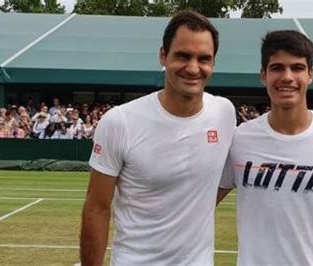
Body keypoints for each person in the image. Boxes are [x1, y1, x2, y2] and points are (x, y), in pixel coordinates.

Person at [80, 11, 236, 265]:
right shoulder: (120, 121)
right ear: (163, 56)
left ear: (213, 63)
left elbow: (228, 174)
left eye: (204, 58)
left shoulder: (225, 112)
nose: (193, 68)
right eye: (183, 56)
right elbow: (97, 208)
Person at [217, 30, 313, 265]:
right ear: (263, 75)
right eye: (277, 68)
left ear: (310, 74)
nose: (287, 77)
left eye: (297, 68)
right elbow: (201, 203)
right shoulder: (239, 139)